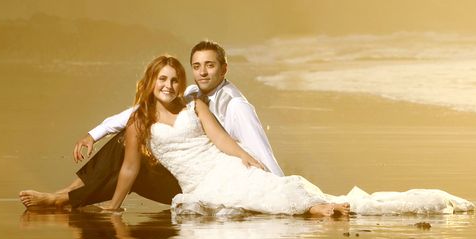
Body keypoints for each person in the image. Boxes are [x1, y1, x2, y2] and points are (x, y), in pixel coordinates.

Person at [102, 55, 474, 217]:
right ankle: (314, 207)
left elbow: (221, 141)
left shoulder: (194, 107)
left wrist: (247, 159)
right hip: (197, 183)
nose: (168, 85)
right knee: (245, 201)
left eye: (174, 79)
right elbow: (130, 169)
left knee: (257, 188)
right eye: (162, 79)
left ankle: (315, 207)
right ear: (150, 83)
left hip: (221, 166)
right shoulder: (138, 123)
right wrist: (114, 206)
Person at [19, 40, 282, 209]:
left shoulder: (235, 106)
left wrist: (275, 190)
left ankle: (64, 199)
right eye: (197, 66)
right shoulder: (190, 94)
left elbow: (259, 150)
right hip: (182, 173)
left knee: (133, 165)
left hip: (212, 180)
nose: (202, 72)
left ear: (224, 69)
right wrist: (93, 133)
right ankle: (65, 195)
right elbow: (137, 112)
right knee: (127, 138)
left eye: (210, 66)